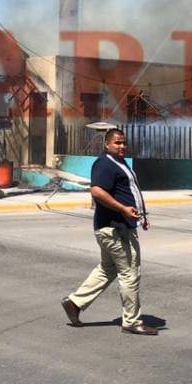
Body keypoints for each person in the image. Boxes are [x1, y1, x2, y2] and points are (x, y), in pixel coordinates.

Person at [61, 128, 158, 336]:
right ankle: (131, 321)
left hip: (118, 227)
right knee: (130, 273)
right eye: (117, 143)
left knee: (107, 269)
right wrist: (123, 209)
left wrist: (141, 217)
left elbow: (128, 192)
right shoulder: (104, 163)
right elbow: (97, 191)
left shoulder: (120, 163)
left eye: (123, 143)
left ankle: (74, 303)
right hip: (115, 228)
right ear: (107, 144)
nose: (121, 146)